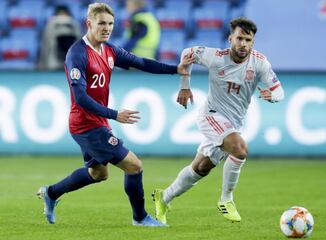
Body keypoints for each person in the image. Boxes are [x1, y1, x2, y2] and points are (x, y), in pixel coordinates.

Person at [37, 2, 192, 227]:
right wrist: (114, 114)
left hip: (95, 121)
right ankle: (140, 218)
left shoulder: (109, 50)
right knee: (134, 166)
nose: (107, 28)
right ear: (88, 23)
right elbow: (80, 97)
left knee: (98, 174)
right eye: (101, 23)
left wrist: (174, 69)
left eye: (110, 23)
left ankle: (51, 193)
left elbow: (140, 62)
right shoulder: (77, 54)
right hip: (85, 124)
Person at [152, 17, 285, 224]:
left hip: (233, 123)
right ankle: (226, 199)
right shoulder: (215, 56)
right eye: (239, 38)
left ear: (253, 42)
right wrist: (185, 86)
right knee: (240, 149)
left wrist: (273, 97)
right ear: (230, 38)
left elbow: (279, 91)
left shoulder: (260, 63)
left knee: (201, 168)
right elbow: (187, 53)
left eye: (248, 40)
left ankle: (164, 197)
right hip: (211, 115)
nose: (243, 44)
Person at [38, 5, 82, 70]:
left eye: (64, 15)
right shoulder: (50, 26)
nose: (62, 18)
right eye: (60, 15)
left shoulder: (75, 26)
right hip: (53, 63)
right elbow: (45, 48)